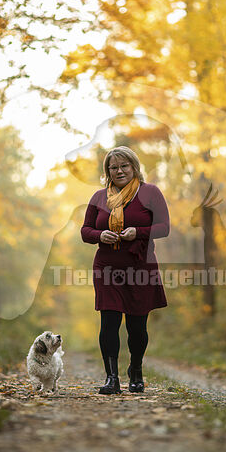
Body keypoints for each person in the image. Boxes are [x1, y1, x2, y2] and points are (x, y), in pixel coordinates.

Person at [80, 146, 170, 394]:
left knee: (137, 326)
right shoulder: (99, 197)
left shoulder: (150, 192)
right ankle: (111, 378)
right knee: (109, 322)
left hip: (140, 267)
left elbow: (164, 227)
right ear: (107, 171)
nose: (119, 171)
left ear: (134, 167)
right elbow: (85, 231)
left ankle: (136, 370)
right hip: (107, 267)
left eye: (124, 166)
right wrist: (101, 234)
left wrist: (138, 232)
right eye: (113, 167)